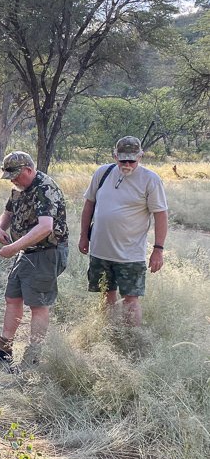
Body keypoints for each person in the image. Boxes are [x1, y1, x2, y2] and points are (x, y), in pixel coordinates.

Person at [0, 151, 69, 366]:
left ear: (29, 170)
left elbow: (45, 228)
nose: (13, 180)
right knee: (13, 298)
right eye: (10, 177)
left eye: (16, 175)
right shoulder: (20, 187)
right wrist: (0, 227)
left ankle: (32, 358)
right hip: (27, 252)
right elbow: (7, 211)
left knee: (38, 305)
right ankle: (3, 349)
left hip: (46, 252)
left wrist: (12, 248)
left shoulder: (45, 188)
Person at [78, 136, 168, 326]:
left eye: (132, 160)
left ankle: (130, 337)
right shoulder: (102, 173)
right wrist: (84, 237)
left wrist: (158, 249)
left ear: (140, 157)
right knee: (106, 293)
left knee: (131, 299)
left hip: (130, 255)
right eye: (122, 159)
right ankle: (109, 333)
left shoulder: (150, 180)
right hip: (100, 251)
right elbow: (89, 206)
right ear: (115, 156)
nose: (127, 164)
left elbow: (161, 215)